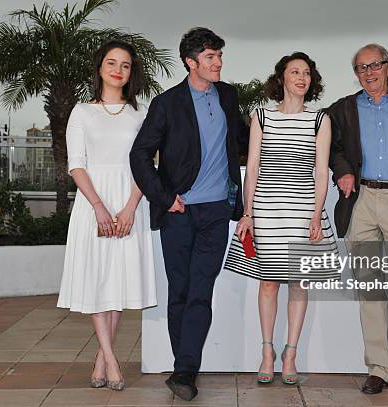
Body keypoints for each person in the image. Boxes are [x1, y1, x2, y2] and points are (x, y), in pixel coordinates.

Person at [129, 27, 247, 401]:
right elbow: (140, 155)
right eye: (211, 57)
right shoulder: (167, 104)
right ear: (190, 62)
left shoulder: (228, 95)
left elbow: (244, 140)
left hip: (216, 211)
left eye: (219, 56)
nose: (218, 63)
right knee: (180, 292)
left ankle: (184, 371)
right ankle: (186, 367)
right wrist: (165, 198)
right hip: (179, 213)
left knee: (200, 291)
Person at [224, 52, 340, 385]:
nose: (301, 77)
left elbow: (321, 171)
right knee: (268, 283)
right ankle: (266, 352)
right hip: (267, 211)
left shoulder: (321, 120)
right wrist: (248, 212)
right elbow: (254, 166)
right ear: (282, 78)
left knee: (298, 284)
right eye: (295, 72)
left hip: (304, 212)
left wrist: (317, 214)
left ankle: (290, 354)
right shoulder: (261, 116)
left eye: (306, 72)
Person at [325, 43, 388, 398]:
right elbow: (334, 148)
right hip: (362, 202)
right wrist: (342, 171)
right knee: (368, 288)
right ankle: (378, 368)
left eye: (374, 66)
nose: (368, 73)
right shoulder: (343, 109)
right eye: (360, 68)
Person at [57, 39, 157, 391]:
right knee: (99, 280)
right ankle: (112, 360)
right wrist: (99, 206)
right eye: (112, 63)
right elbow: (76, 164)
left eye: (126, 65)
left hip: (131, 201)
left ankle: (101, 359)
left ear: (132, 73)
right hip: (93, 203)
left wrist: (130, 206)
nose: (118, 69)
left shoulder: (141, 114)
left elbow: (147, 164)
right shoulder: (82, 112)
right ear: (100, 67)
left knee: (117, 281)